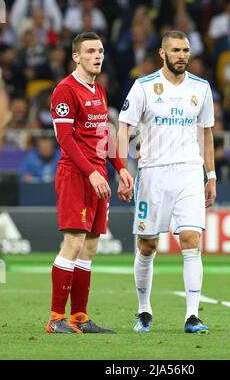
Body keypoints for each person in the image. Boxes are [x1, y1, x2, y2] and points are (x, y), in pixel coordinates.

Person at [118, 30, 216, 334]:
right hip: (153, 174)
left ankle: (191, 316)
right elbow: (123, 129)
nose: (181, 56)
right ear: (163, 53)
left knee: (191, 240)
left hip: (189, 171)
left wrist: (210, 175)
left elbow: (207, 133)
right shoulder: (144, 87)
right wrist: (122, 169)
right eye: (175, 50)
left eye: (185, 50)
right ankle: (144, 310)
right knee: (147, 245)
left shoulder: (201, 88)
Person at [47, 32, 133, 334]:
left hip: (99, 177)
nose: (97, 56)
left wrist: (120, 168)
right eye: (90, 51)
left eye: (100, 51)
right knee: (73, 243)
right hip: (75, 175)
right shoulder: (65, 91)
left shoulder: (98, 90)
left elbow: (104, 135)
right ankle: (56, 317)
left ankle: (79, 317)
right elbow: (65, 139)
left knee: (91, 247)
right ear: (76, 56)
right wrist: (92, 172)